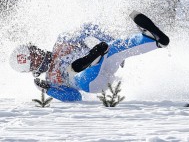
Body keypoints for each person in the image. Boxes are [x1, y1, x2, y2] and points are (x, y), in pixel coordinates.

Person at [9, 11, 170, 102]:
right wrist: (50, 90)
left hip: (104, 62)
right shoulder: (51, 80)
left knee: (114, 47)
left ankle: (154, 40)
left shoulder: (62, 41)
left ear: (36, 48)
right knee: (77, 76)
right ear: (32, 70)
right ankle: (91, 60)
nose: (38, 58)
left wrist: (107, 39)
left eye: (34, 53)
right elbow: (75, 97)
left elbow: (88, 28)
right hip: (93, 83)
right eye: (34, 61)